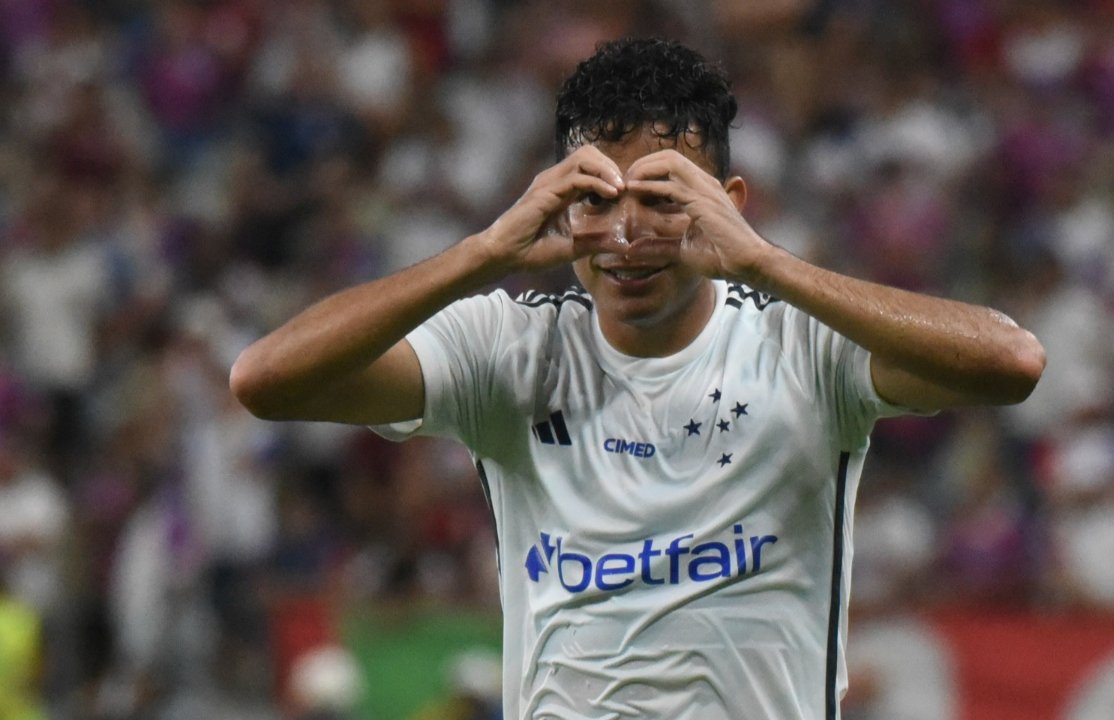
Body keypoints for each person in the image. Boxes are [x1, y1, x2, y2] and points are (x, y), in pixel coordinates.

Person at [231, 37, 1045, 720]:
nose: (627, 234)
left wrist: (763, 260)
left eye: (662, 198)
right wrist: (482, 253)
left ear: (727, 202)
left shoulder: (802, 346)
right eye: (597, 198)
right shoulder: (504, 348)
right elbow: (266, 380)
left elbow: (1011, 362)